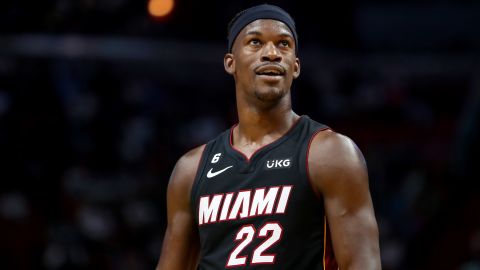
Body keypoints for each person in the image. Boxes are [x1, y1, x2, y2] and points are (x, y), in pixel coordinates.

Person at [156, 4, 381, 270]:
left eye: (284, 44)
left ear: (295, 67)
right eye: (255, 42)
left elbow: (362, 264)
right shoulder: (191, 170)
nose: (272, 53)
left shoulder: (330, 153)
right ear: (231, 63)